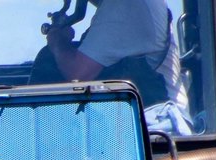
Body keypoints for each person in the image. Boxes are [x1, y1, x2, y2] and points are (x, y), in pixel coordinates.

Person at [35, 0, 194, 133]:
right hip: (144, 124)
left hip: (157, 130)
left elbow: (78, 74)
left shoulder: (125, 4)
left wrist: (57, 42)